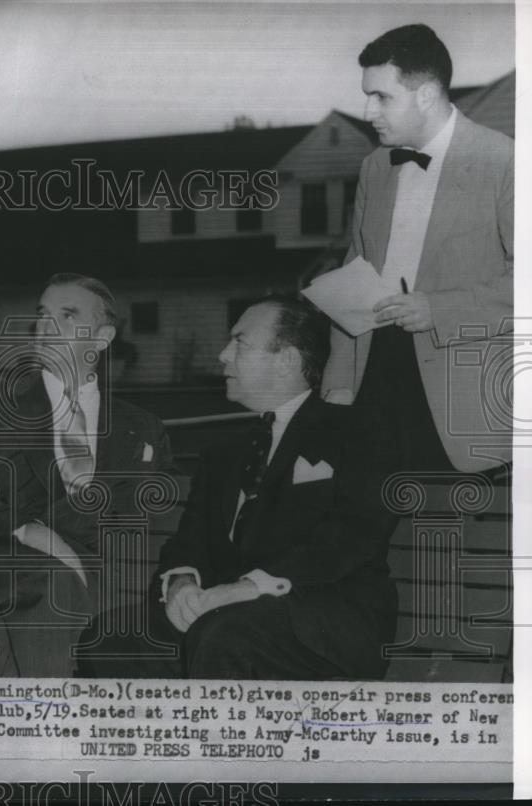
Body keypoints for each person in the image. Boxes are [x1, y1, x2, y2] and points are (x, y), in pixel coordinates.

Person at [85, 298, 398, 680]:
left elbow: (350, 536)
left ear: (286, 360)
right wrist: (182, 582)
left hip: (322, 623)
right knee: (111, 638)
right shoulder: (225, 453)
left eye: (240, 342)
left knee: (223, 634)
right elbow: (190, 540)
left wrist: (247, 588)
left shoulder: (355, 433)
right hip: (232, 618)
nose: (222, 354)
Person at [0, 274, 173, 677]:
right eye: (42, 313)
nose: (45, 324)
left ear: (102, 337)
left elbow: (152, 520)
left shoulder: (143, 428)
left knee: (1, 641)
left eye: (67, 314)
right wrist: (37, 533)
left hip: (98, 584)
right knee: (53, 584)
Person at [321, 24, 513, 473]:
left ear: (426, 95)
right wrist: (340, 384)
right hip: (374, 384)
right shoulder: (374, 167)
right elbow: (357, 272)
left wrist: (440, 310)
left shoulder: (505, 161)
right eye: (367, 96)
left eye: (381, 97)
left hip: (461, 396)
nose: (368, 111)